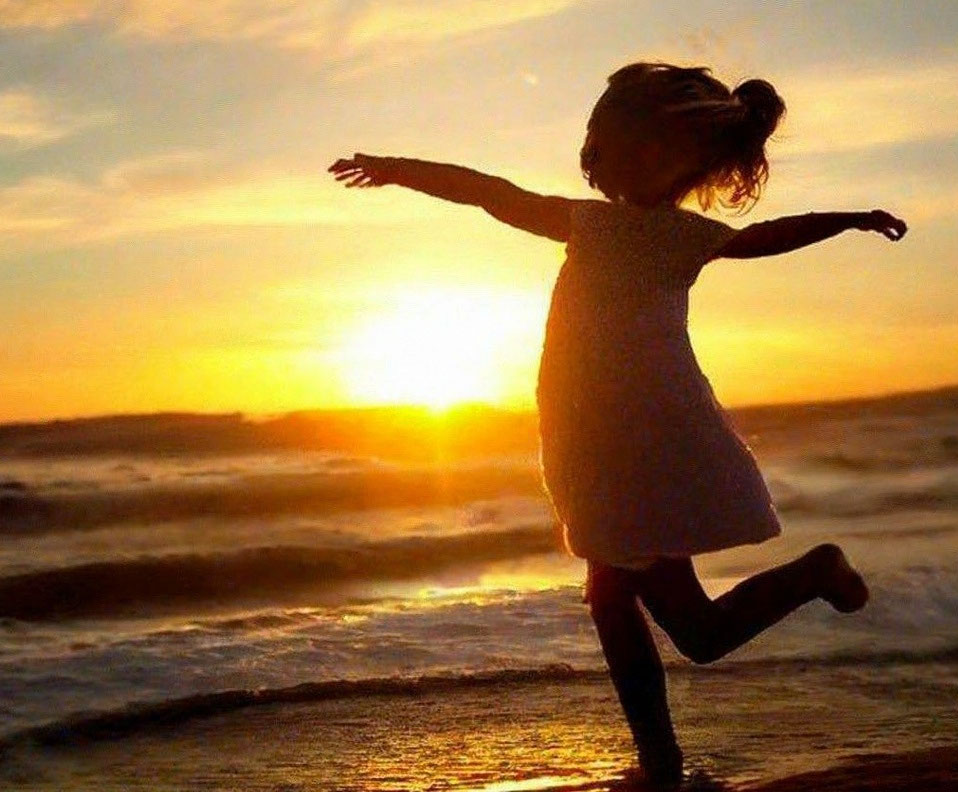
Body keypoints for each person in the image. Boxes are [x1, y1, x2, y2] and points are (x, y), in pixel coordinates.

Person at [329, 61, 907, 787]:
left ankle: (802, 589)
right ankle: (661, 755)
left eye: (604, 146)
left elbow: (491, 192)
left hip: (639, 442)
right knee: (625, 601)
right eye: (593, 145)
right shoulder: (640, 229)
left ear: (659, 155)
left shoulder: (629, 230)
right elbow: (486, 192)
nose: (592, 160)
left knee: (675, 622)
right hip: (607, 437)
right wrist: (395, 170)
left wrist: (848, 219)